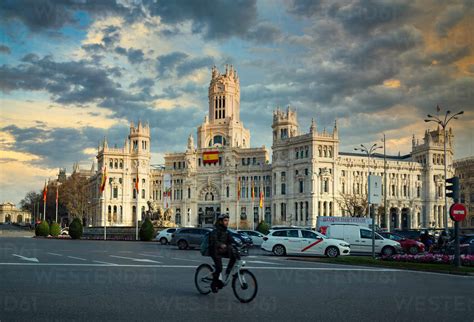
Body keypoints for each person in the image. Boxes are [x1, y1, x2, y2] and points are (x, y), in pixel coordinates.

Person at [209, 213, 240, 293]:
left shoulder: (226, 231)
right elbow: (214, 241)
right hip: (215, 251)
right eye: (225, 220)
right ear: (220, 221)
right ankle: (213, 284)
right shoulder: (215, 231)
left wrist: (240, 244)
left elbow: (232, 240)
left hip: (222, 250)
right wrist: (220, 244)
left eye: (227, 220)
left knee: (234, 256)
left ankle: (228, 271)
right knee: (219, 268)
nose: (227, 222)